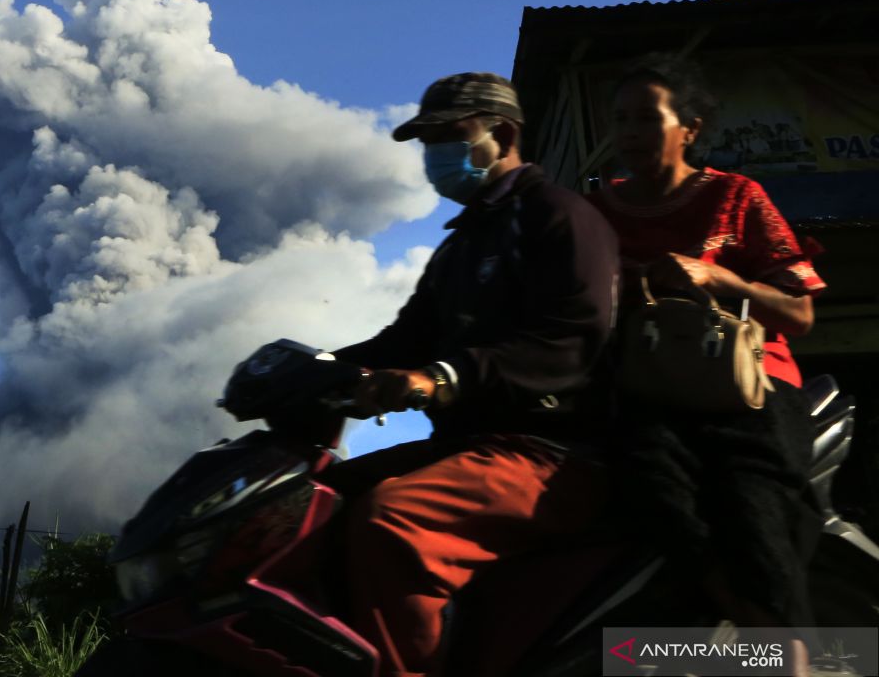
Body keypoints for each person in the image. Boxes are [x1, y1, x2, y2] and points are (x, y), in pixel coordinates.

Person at [328, 72, 620, 677]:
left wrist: (440, 379)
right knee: (314, 503)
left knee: (393, 523)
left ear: (504, 133)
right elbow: (403, 341)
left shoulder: (558, 216)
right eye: (427, 140)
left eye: (447, 135)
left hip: (551, 454)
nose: (434, 154)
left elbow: (571, 341)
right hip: (470, 449)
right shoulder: (460, 245)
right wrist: (317, 369)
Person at [585, 55, 826, 634]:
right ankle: (739, 645)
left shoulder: (737, 196)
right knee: (653, 502)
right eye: (621, 120)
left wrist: (716, 277)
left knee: (756, 510)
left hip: (749, 390)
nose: (630, 134)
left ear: (688, 128)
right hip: (647, 394)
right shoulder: (594, 212)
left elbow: (799, 313)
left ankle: (789, 657)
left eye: (647, 118)